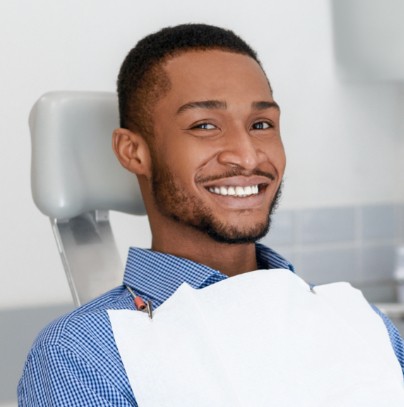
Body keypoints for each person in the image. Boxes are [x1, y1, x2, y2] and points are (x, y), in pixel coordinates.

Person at [18, 24, 404, 406]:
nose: (248, 155)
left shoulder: (362, 325)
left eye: (261, 124)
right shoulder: (83, 356)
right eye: (205, 126)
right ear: (133, 152)